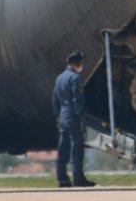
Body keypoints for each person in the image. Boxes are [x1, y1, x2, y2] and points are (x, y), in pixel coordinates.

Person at [52, 51, 95, 188]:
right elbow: (77, 100)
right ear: (78, 63)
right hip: (73, 117)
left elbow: (55, 99)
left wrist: (58, 116)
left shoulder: (59, 78)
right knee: (77, 148)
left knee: (63, 148)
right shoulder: (75, 78)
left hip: (63, 117)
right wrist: (82, 118)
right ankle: (78, 179)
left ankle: (62, 178)